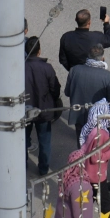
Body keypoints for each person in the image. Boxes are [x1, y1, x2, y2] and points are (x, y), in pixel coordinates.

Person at [22, 36, 62, 176]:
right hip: (44, 110)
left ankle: (22, 165)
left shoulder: (21, 67)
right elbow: (55, 88)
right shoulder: (47, 68)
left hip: (24, 111)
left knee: (23, 140)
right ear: (39, 51)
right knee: (44, 141)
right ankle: (43, 169)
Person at [64, 44, 110, 127]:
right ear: (102, 58)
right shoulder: (108, 76)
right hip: (97, 118)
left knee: (80, 138)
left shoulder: (74, 70)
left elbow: (67, 92)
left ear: (88, 56)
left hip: (78, 115)